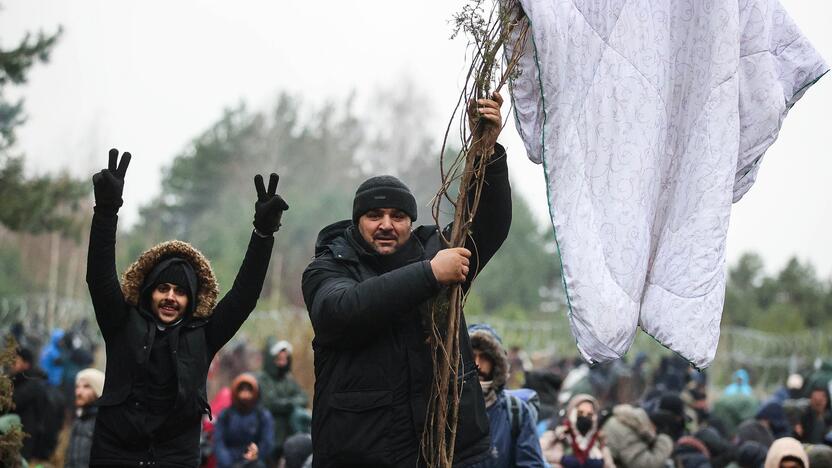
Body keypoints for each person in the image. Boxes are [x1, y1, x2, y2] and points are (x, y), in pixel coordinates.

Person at [301, 92, 511, 467]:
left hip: (449, 452)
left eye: (397, 215)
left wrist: (488, 153)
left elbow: (489, 224)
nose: (386, 225)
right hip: (361, 456)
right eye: (374, 215)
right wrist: (430, 274)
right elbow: (342, 311)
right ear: (357, 222)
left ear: (410, 222)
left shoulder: (438, 249)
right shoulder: (329, 268)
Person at [85, 149, 289, 466]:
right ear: (149, 292)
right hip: (115, 454)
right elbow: (99, 277)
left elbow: (244, 296)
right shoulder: (120, 323)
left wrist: (262, 235)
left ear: (191, 300)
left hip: (175, 458)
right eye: (163, 288)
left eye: (180, 292)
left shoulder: (203, 336)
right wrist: (106, 212)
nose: (170, 297)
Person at [466, 323, 545, 467]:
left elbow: (530, 463)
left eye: (484, 357)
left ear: (496, 362)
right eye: (471, 356)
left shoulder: (515, 411)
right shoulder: (444, 410)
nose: (477, 364)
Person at [257, 338, 309, 461]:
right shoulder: (263, 379)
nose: (282, 362)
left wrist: (288, 403)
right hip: (269, 432)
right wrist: (291, 403)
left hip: (288, 433)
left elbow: (304, 398)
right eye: (279, 358)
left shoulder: (288, 380)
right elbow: (269, 403)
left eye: (285, 359)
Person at [213, 373, 274, 468]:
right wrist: (227, 462)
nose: (245, 393)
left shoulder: (262, 415)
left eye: (248, 389)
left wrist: (256, 454)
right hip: (229, 460)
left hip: (253, 460)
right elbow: (218, 441)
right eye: (241, 389)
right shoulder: (225, 415)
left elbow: (267, 441)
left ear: (255, 392)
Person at [540, 394, 614, 467]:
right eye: (580, 413)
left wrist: (601, 461)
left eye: (589, 415)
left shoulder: (598, 437)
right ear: (572, 413)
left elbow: (609, 465)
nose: (584, 417)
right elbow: (539, 452)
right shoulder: (560, 432)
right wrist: (561, 458)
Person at [10, 346, 51, 461]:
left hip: (25, 440)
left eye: (15, 361)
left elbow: (13, 402)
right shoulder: (17, 380)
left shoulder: (33, 384)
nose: (11, 364)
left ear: (26, 364)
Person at [602, 404, 674, 468]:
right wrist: (665, 441)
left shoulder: (629, 421)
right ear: (654, 426)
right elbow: (644, 465)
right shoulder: (627, 431)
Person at [65, 368, 105, 468]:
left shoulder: (104, 422)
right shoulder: (79, 419)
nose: (79, 392)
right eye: (77, 387)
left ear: (98, 390)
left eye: (86, 387)